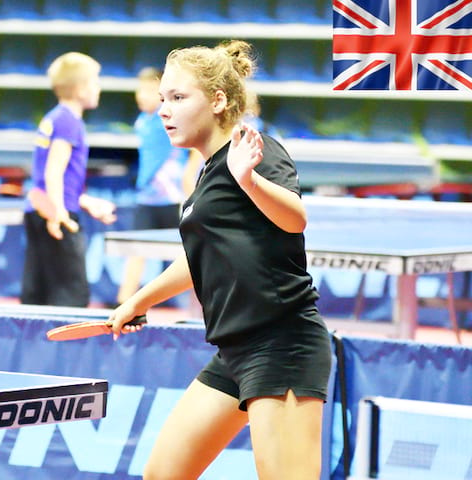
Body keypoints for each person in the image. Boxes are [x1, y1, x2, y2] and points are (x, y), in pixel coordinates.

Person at [109, 40, 331, 480]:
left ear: (218, 100)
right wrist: (138, 301)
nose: (163, 111)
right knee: (163, 474)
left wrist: (249, 180)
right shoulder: (209, 172)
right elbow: (199, 259)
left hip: (282, 343)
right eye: (162, 99)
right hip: (235, 350)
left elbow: (294, 219)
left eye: (177, 97)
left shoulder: (253, 148)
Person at [20, 52, 116, 307]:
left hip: (40, 209)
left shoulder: (54, 117)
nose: (98, 88)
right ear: (79, 89)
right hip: (56, 215)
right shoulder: (68, 122)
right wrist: (59, 213)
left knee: (39, 294)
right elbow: (54, 171)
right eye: (94, 81)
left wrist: (84, 201)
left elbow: (50, 178)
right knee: (71, 295)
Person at [115, 66, 193, 306]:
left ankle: (202, 307)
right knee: (136, 252)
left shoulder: (171, 117)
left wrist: (188, 181)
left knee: (190, 256)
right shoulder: (141, 121)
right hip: (146, 198)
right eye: (140, 90)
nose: (141, 96)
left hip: (173, 198)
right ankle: (124, 303)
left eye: (148, 91)